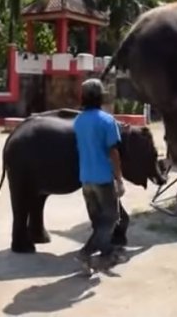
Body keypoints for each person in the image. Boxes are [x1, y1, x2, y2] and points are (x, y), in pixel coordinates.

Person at [74, 78, 127, 271]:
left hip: (85, 178)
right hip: (103, 179)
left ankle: (107, 255)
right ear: (100, 96)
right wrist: (119, 179)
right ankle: (85, 253)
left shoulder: (79, 121)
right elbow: (113, 153)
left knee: (98, 222)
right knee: (112, 218)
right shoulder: (107, 120)